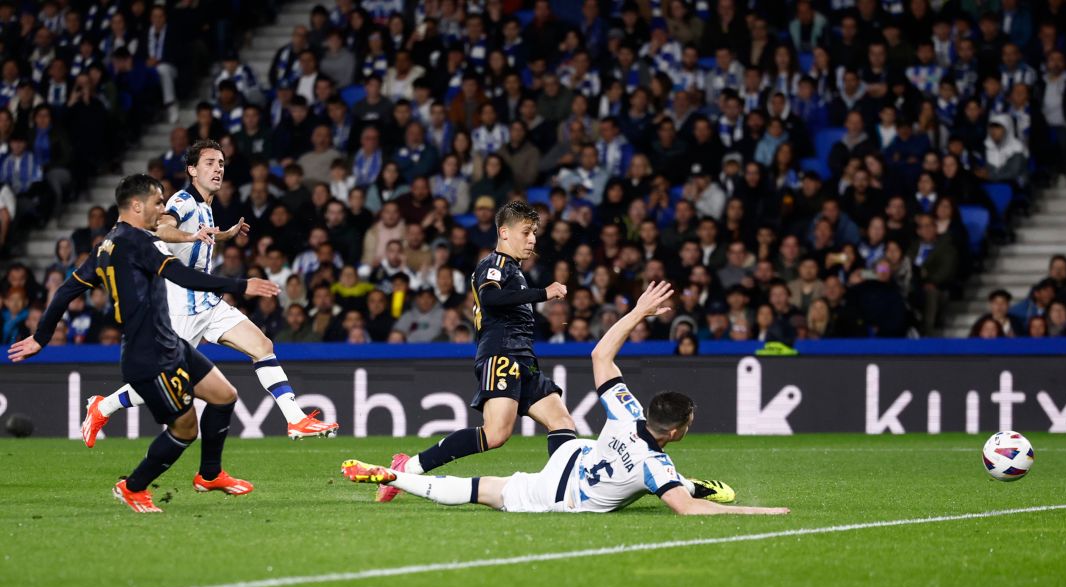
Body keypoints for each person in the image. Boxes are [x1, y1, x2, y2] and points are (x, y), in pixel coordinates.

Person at [341, 281, 790, 516]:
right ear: (675, 431)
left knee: (559, 424)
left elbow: (600, 354)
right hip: (559, 493)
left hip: (577, 456)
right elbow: (686, 509)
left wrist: (637, 312)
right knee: (478, 491)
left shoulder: (627, 411)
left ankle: (397, 473)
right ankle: (395, 475)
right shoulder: (656, 465)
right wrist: (764, 510)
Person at [8, 174, 280, 513]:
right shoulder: (138, 243)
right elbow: (182, 275)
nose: (162, 209)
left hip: (169, 344)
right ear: (136, 206)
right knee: (184, 428)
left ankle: (210, 474)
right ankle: (132, 486)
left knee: (224, 396)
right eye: (157, 202)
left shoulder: (107, 245)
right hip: (149, 355)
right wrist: (242, 285)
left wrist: (41, 337)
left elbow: (67, 290)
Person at [81, 140, 339, 446]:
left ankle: (295, 419)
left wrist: (223, 235)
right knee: (162, 381)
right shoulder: (184, 200)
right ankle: (102, 406)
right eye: (209, 163)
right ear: (192, 170)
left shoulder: (205, 206)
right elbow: (162, 228)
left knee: (262, 345)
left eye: (221, 163)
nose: (217, 169)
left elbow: (194, 244)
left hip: (207, 301)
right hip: (180, 305)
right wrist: (192, 234)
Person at [375, 201, 576, 503]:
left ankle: (563, 491)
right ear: (504, 232)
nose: (533, 238)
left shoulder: (513, 270)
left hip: (524, 356)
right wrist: (543, 294)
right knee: (495, 434)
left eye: (534, 232)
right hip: (502, 354)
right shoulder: (493, 264)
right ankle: (408, 467)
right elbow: (491, 298)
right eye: (526, 232)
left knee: (562, 423)